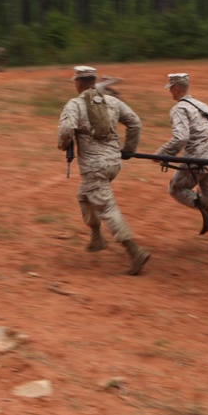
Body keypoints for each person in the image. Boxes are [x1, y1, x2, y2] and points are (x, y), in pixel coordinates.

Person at [57, 65, 150, 275]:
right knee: (83, 195)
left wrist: (64, 145)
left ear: (79, 83)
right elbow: (135, 123)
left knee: (106, 207)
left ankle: (135, 252)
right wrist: (128, 150)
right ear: (94, 81)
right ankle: (97, 238)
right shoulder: (112, 101)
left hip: (94, 167)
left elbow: (65, 132)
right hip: (114, 163)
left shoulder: (74, 105)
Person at [154, 73, 208, 253]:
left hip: (197, 159)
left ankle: (207, 209)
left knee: (176, 188)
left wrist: (161, 154)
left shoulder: (179, 109)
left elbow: (181, 137)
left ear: (176, 89)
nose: (169, 91)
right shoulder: (203, 105)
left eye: (170, 88)